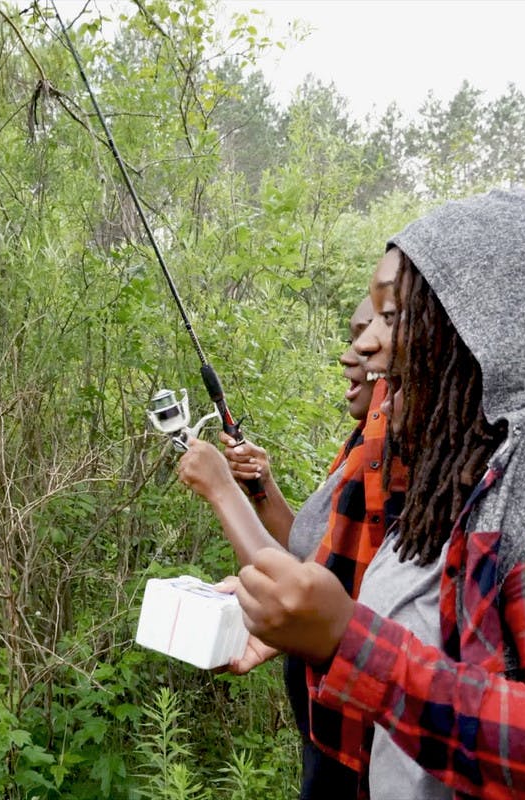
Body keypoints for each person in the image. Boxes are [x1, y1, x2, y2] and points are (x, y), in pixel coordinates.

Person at [231, 186, 525, 798]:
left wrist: (350, 643)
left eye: (392, 316)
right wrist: (297, 629)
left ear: (488, 321)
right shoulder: (453, 466)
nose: (363, 344)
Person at [178, 297, 404, 798]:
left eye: (372, 332)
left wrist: (221, 488)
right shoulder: (357, 445)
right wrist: (260, 487)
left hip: (355, 733)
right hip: (323, 718)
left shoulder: (386, 453)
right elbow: (313, 561)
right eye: (352, 336)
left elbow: (317, 593)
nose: (353, 353)